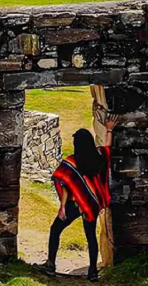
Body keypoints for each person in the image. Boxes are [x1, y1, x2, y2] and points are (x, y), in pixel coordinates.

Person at [42, 119, 116, 281]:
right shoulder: (99, 158)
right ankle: (93, 272)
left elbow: (65, 184)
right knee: (91, 237)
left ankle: (51, 265)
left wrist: (62, 207)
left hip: (75, 204)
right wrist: (109, 130)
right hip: (91, 204)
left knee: (55, 229)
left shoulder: (72, 162)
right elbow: (108, 148)